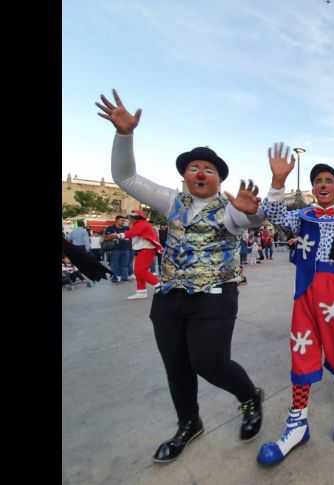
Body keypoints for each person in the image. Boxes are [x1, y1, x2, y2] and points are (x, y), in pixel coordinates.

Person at [96, 89, 266, 463]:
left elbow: (248, 219)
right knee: (176, 365)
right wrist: (124, 135)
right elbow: (125, 176)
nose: (200, 172)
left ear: (219, 179)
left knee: (210, 362)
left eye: (209, 169)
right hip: (171, 296)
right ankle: (189, 423)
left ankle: (249, 396)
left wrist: (253, 214)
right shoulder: (173, 201)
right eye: (193, 168)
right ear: (185, 176)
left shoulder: (228, 209)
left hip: (215, 295)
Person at [257, 143, 334, 466]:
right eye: (318, 181)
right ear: (313, 189)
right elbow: (275, 214)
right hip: (304, 296)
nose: (323, 184)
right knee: (301, 352)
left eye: (329, 180)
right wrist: (278, 183)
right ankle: (297, 423)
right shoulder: (302, 216)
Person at [102, 209, 163, 300]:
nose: (128, 219)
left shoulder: (142, 223)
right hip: (141, 249)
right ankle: (141, 292)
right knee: (138, 272)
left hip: (147, 249)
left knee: (141, 271)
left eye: (130, 218)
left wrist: (117, 235)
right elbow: (134, 235)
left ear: (135, 217)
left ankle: (159, 285)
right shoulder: (137, 223)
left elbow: (133, 233)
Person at [105, 215, 131, 283]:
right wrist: (113, 236)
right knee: (114, 265)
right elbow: (106, 238)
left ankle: (124, 278)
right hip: (114, 249)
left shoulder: (126, 228)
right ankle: (114, 279)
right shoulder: (110, 228)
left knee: (125, 264)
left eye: (124, 220)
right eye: (121, 220)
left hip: (126, 249)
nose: (123, 222)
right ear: (116, 221)